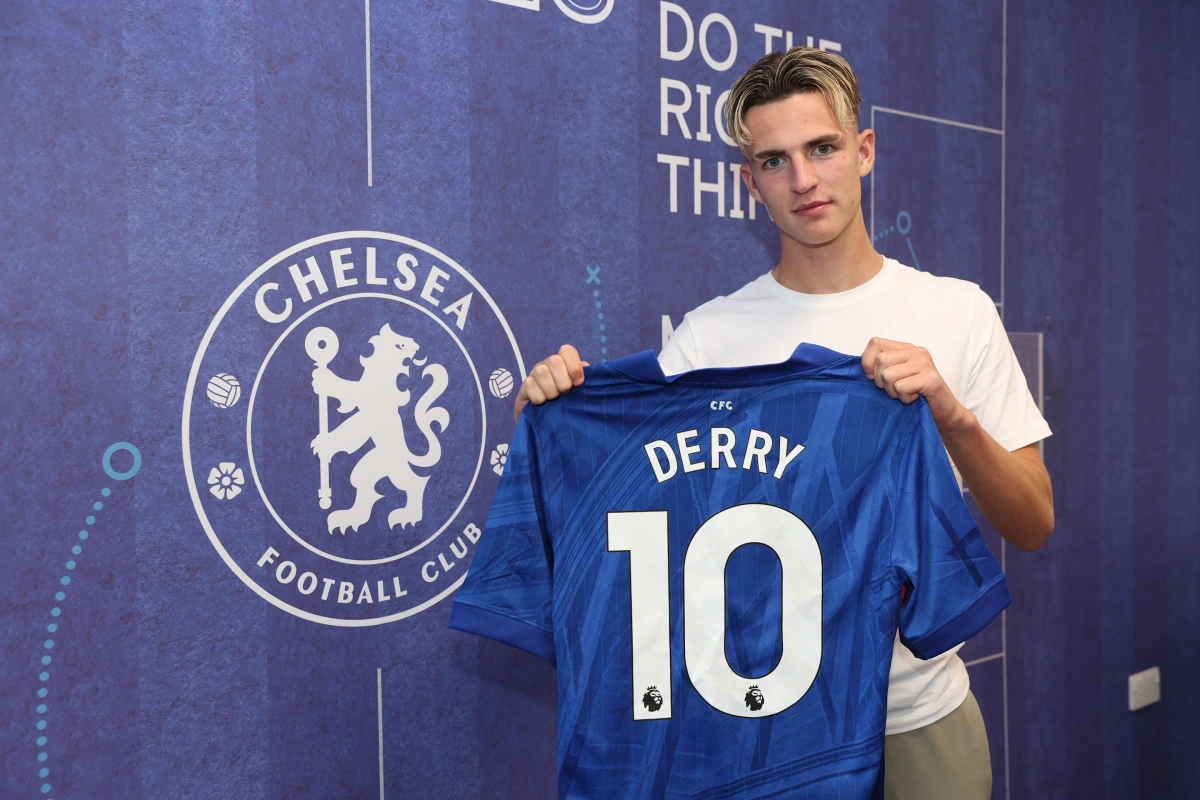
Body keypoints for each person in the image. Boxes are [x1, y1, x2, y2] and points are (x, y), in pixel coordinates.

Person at [513, 46, 1053, 800]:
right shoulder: (708, 338)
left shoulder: (957, 312)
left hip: (917, 723)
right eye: (774, 161)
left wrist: (951, 414)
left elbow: (1032, 523)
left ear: (864, 151)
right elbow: (635, 517)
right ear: (750, 183)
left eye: (822, 148)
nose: (802, 179)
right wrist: (557, 410)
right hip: (762, 734)